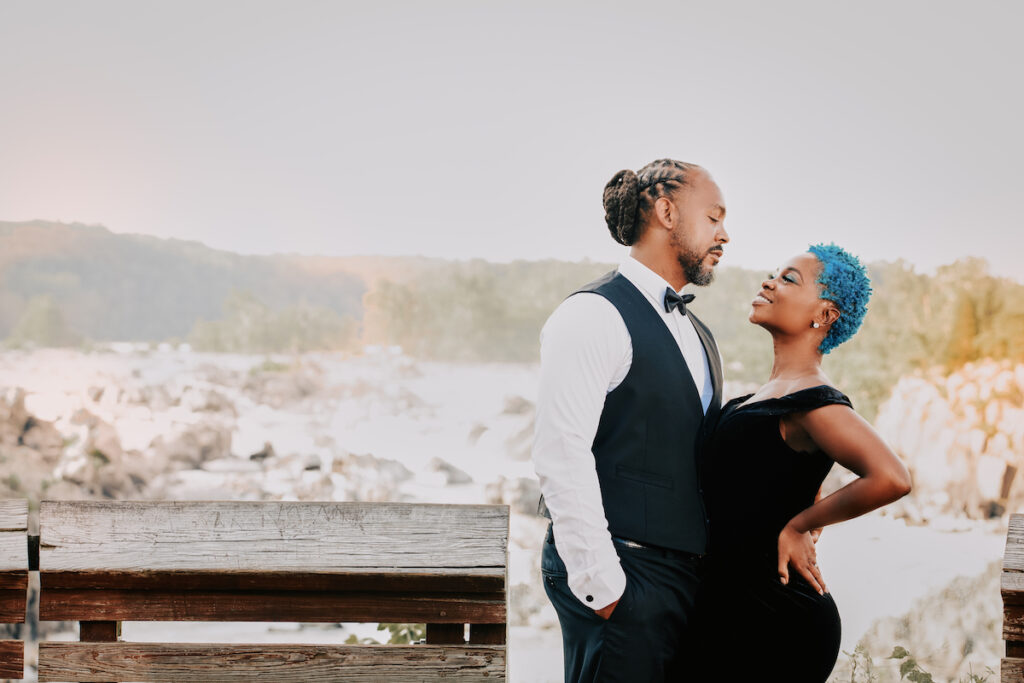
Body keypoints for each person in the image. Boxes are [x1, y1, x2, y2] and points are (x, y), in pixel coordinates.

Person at [532, 158, 729, 682]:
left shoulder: (698, 332)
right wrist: (605, 589)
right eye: (713, 217)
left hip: (680, 582)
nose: (724, 234)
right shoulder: (592, 315)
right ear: (666, 212)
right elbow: (560, 451)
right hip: (624, 577)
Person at [693, 244, 913, 682]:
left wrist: (799, 525)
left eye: (789, 278)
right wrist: (807, 511)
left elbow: (891, 477)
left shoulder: (814, 402)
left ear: (826, 316)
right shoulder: (766, 395)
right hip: (728, 609)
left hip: (776, 618)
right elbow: (781, 477)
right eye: (775, 274)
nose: (769, 282)